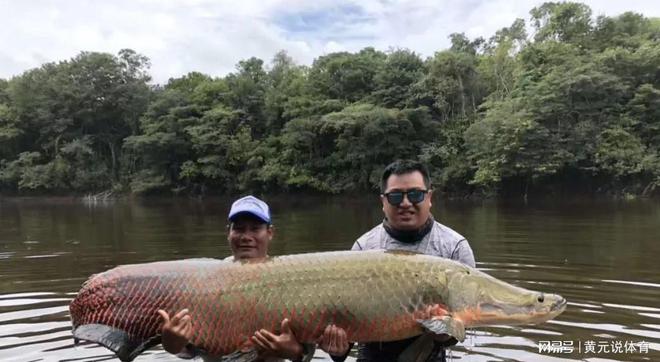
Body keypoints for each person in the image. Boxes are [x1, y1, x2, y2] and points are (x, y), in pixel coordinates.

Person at [158, 195, 344, 361]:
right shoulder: (206, 280)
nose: (246, 237)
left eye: (255, 229)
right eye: (239, 229)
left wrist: (294, 351)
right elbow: (186, 352)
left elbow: (305, 351)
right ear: (228, 233)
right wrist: (171, 341)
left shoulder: (291, 279)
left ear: (270, 233)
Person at [328, 159, 477, 362]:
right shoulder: (363, 249)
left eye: (415, 195)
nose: (406, 204)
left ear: (429, 197)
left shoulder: (454, 247)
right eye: (396, 197)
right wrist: (338, 350)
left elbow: (463, 325)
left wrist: (442, 333)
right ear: (383, 202)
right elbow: (346, 321)